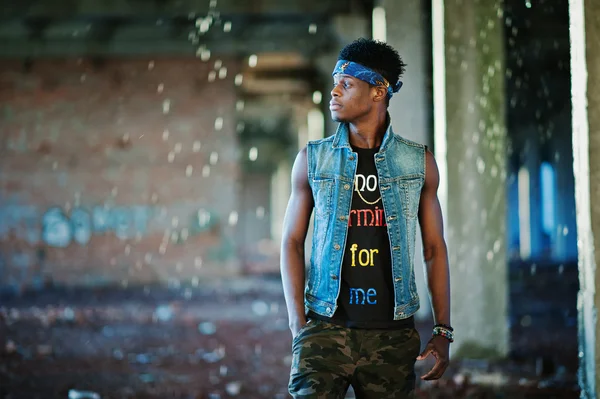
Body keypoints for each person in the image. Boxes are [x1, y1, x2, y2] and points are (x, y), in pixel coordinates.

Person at [280, 38, 453, 398]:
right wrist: (299, 327)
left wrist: (443, 329)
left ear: (379, 91)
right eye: (334, 82)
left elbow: (434, 249)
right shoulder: (313, 160)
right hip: (325, 329)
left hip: (392, 335)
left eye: (346, 84)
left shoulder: (417, 163)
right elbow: (292, 242)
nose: (334, 92)